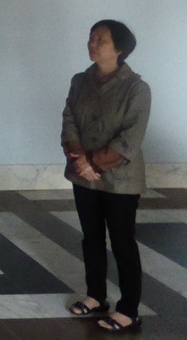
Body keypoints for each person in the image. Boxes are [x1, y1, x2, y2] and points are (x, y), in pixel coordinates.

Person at [62, 20, 151, 333]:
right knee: (92, 238)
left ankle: (129, 310)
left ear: (120, 48)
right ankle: (96, 296)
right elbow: (69, 120)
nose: (92, 44)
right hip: (84, 175)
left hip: (121, 179)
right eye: (91, 38)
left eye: (100, 39)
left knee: (123, 241)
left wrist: (93, 164)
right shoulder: (79, 81)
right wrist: (80, 161)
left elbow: (131, 137)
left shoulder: (136, 88)